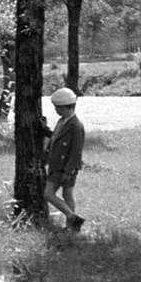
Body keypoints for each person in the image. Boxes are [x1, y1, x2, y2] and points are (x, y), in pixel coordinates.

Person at [44, 87, 85, 231]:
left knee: (48, 194)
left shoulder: (76, 126)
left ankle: (72, 218)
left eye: (58, 107)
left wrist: (68, 171)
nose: (56, 110)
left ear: (66, 107)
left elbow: (76, 151)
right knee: (67, 195)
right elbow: (56, 138)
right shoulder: (62, 121)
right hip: (57, 164)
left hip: (66, 168)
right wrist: (45, 131)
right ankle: (71, 226)